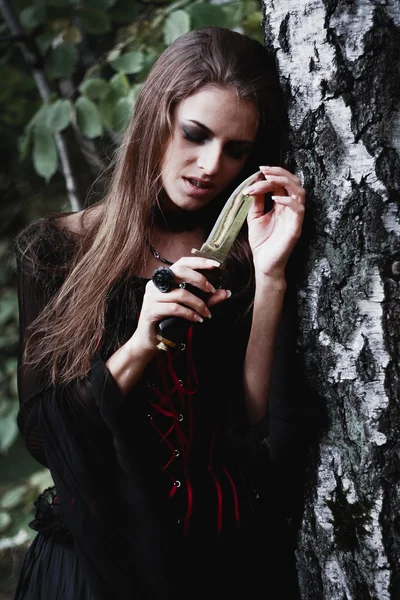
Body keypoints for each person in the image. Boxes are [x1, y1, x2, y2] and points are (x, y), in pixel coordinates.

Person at [13, 26, 307, 600]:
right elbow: (45, 435)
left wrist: (270, 276)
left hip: (223, 563)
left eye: (236, 149)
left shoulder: (240, 252)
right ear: (156, 118)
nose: (209, 165)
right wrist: (140, 343)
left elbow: (246, 417)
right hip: (94, 567)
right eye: (195, 135)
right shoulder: (54, 250)